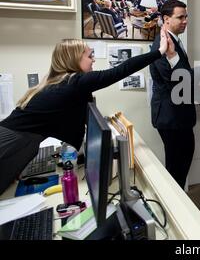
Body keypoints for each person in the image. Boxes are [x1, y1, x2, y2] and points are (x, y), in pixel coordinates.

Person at [0, 36, 172, 194]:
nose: (94, 60)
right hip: (9, 145)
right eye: (90, 56)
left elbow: (78, 124)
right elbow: (120, 71)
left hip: (14, 143)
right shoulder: (74, 83)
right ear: (75, 59)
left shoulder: (62, 82)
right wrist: (159, 52)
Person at [148, 0, 196, 189]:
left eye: (186, 16)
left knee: (182, 163)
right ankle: (175, 213)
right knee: (176, 167)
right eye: (180, 17)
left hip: (179, 115)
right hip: (171, 117)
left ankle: (180, 207)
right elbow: (174, 78)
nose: (185, 21)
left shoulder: (174, 40)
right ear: (166, 19)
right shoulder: (161, 45)